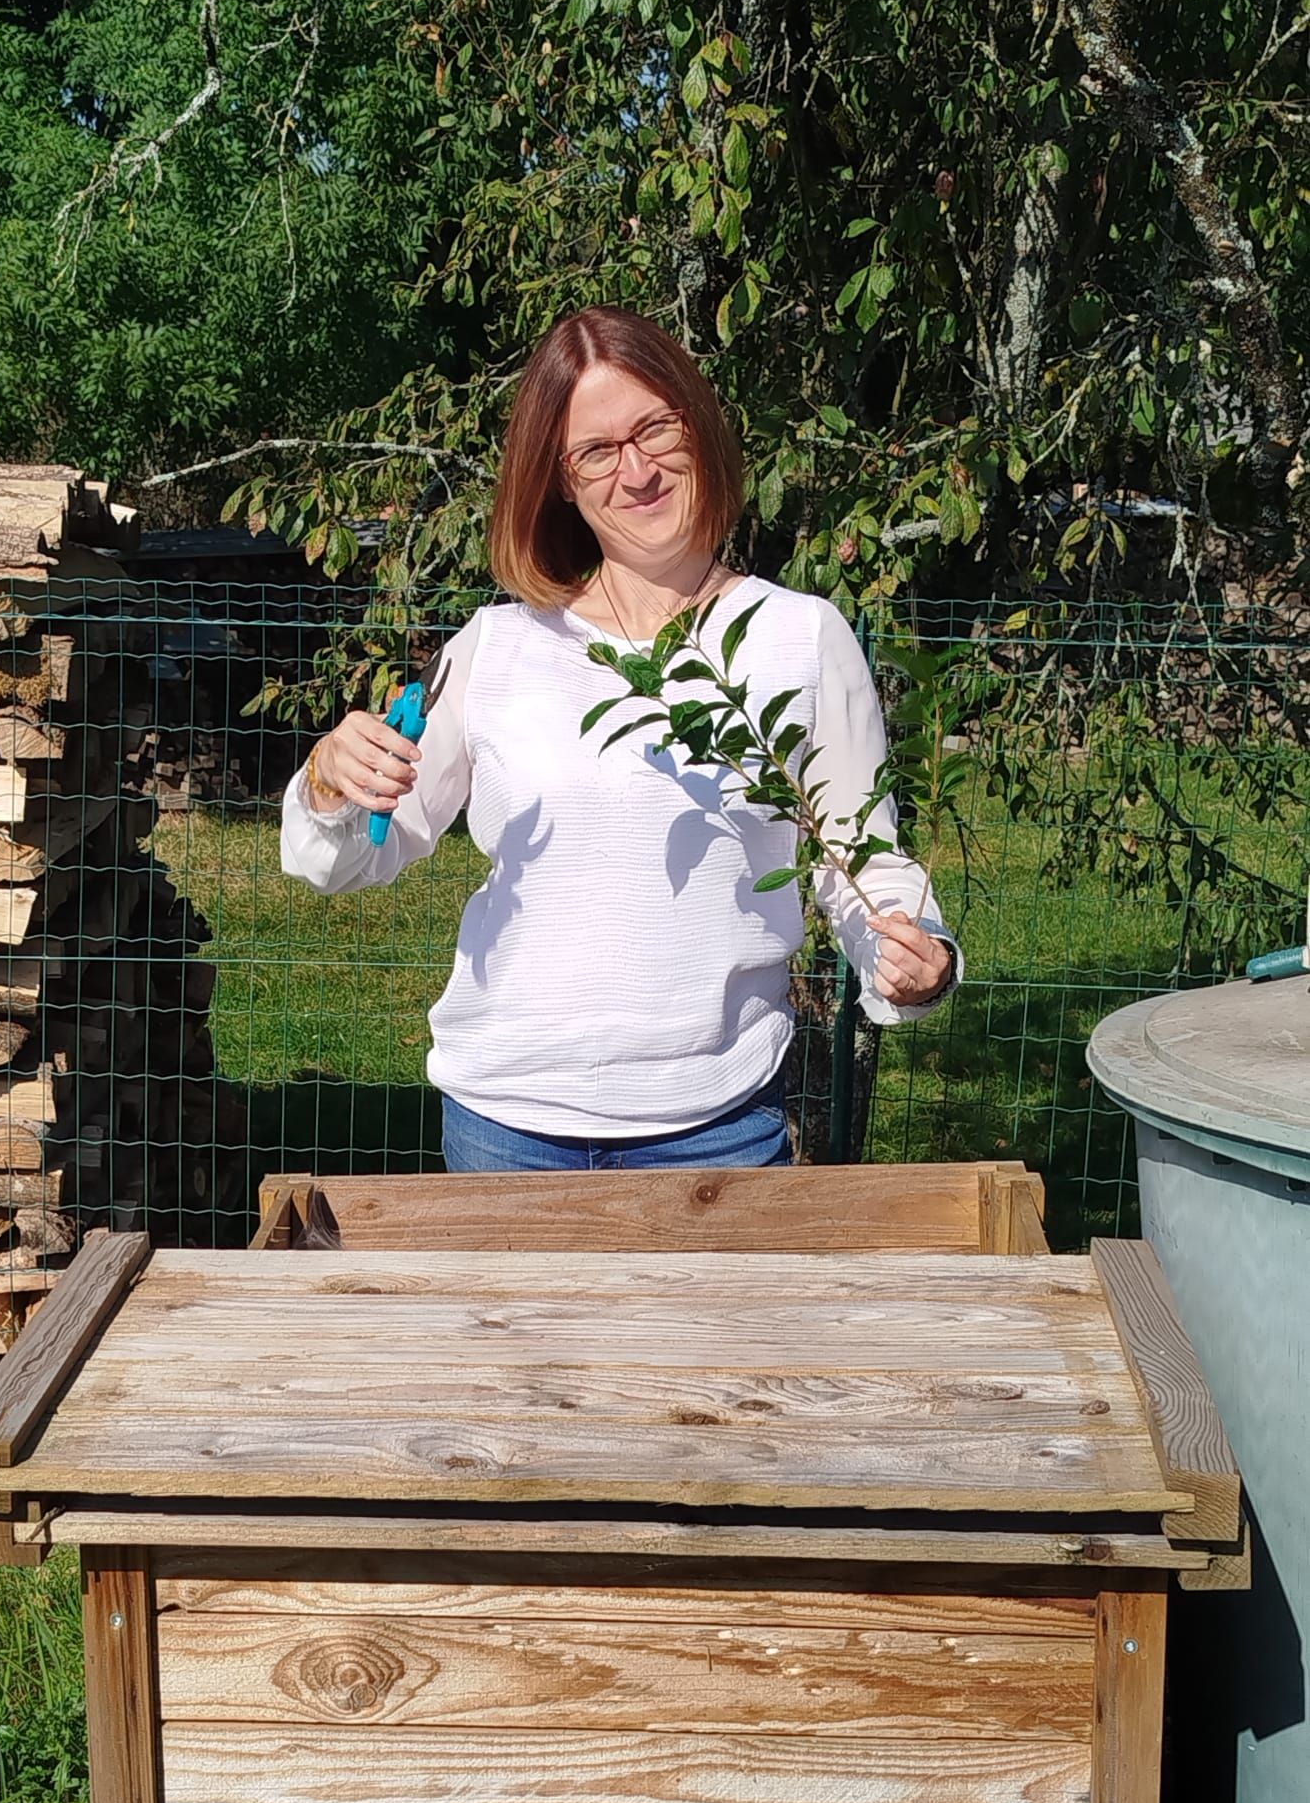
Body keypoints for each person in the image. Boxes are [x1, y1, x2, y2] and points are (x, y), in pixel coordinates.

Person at [281, 305, 961, 1171]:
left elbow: (858, 859)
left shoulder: (800, 637)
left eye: (653, 429)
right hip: (504, 1127)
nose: (635, 470)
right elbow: (346, 863)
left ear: (697, 426)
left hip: (716, 1127)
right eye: (596, 451)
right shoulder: (496, 648)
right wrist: (331, 780)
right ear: (560, 480)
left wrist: (910, 954)